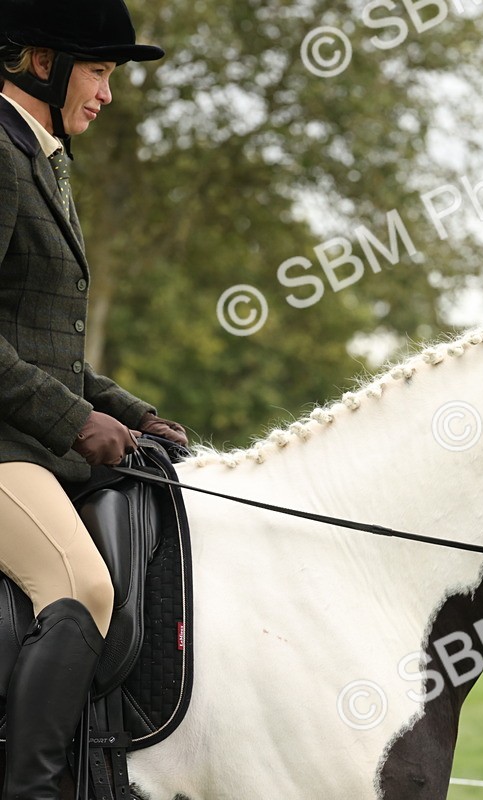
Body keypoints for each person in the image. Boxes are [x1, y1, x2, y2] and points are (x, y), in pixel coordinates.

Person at [0, 1, 187, 795]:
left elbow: (42, 341)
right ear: (40, 62)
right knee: (80, 585)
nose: (108, 93)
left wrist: (133, 412)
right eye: (102, 71)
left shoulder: (39, 156)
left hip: (25, 437)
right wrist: (76, 423)